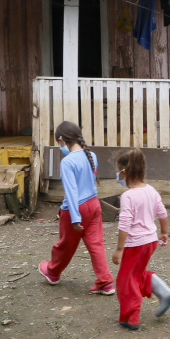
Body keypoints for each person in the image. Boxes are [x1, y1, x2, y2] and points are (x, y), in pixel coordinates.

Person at [38, 121, 115, 295]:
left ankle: (52, 272)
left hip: (76, 208)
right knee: (96, 244)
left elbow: (71, 191)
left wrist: (75, 217)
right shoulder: (91, 156)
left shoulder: (67, 162)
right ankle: (105, 282)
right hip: (94, 204)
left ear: (61, 140)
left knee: (65, 245)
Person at [111, 148, 170, 330]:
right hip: (151, 241)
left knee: (126, 280)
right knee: (136, 273)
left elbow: (124, 224)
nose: (117, 175)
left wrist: (119, 248)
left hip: (135, 244)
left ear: (124, 172)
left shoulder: (128, 196)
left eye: (118, 171)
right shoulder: (151, 190)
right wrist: (164, 232)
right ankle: (165, 292)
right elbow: (162, 212)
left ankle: (132, 317)